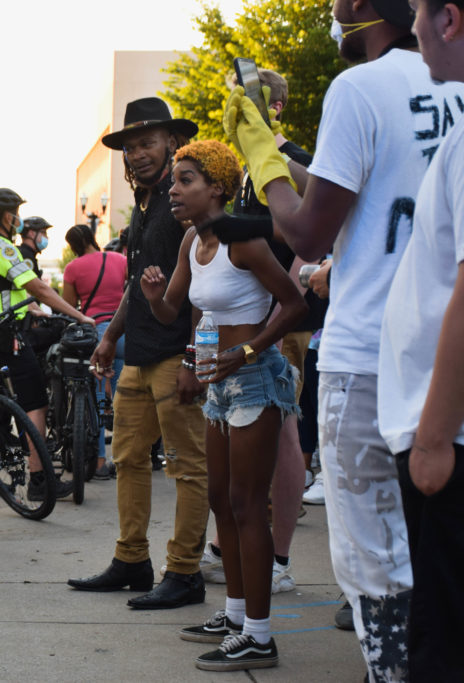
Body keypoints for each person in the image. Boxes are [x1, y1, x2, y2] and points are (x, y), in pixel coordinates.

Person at [225, 0, 464, 676]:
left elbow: (306, 230)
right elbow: (358, 193)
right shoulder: (452, 91)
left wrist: (262, 158)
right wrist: (276, 151)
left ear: (360, 8)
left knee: (375, 566)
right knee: (437, 560)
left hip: (366, 356)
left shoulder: (357, 87)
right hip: (445, 353)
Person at [141, 139, 306, 671]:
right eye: (174, 181)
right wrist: (158, 303)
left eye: (185, 179)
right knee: (219, 499)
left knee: (245, 503)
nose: (174, 189)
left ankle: (260, 635)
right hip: (219, 383)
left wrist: (247, 351)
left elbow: (295, 304)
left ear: (217, 187)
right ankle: (235, 615)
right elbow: (178, 313)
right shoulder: (194, 240)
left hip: (256, 378)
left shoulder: (244, 243)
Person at [67, 97, 210, 611]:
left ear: (172, 142)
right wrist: (109, 339)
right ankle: (132, 561)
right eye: (129, 147)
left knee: (187, 468)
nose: (137, 154)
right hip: (139, 357)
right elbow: (133, 283)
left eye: (147, 143)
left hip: (178, 356)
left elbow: (206, 280)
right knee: (128, 459)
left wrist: (197, 357)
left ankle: (185, 572)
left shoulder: (185, 198)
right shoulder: (147, 204)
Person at [204, 67, 328, 596]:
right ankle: (237, 544)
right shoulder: (252, 167)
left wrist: (278, 324)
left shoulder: (294, 160)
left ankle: (277, 559)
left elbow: (311, 234)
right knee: (248, 433)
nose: (237, 115)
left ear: (271, 108)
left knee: (283, 436)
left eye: (247, 105)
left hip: (288, 320)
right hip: (255, 318)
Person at [377, 0, 464, 678]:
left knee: (439, 645)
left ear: (450, 20)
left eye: (416, 13)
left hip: (449, 442)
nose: (411, 31)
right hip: (443, 435)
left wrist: (434, 435)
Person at [0, 187, 96, 500]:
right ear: (8, 217)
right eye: (17, 214)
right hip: (4, 334)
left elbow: (7, 290)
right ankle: (39, 480)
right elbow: (39, 289)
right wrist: (80, 317)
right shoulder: (3, 247)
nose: (19, 220)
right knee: (35, 403)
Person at [62, 224, 127, 479]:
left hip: (97, 337)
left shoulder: (73, 268)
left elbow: (68, 307)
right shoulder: (119, 259)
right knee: (126, 401)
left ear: (72, 246)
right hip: (124, 333)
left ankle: (99, 463)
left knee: (99, 402)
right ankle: (124, 461)